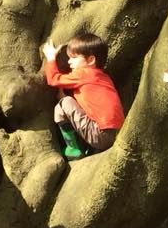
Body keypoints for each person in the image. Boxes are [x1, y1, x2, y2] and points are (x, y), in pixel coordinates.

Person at [41, 32, 125, 160]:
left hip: (100, 135)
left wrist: (51, 58)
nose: (69, 61)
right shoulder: (103, 77)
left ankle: (74, 149)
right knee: (66, 101)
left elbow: (53, 79)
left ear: (91, 60)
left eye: (74, 57)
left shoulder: (83, 74)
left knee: (63, 104)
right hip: (115, 134)